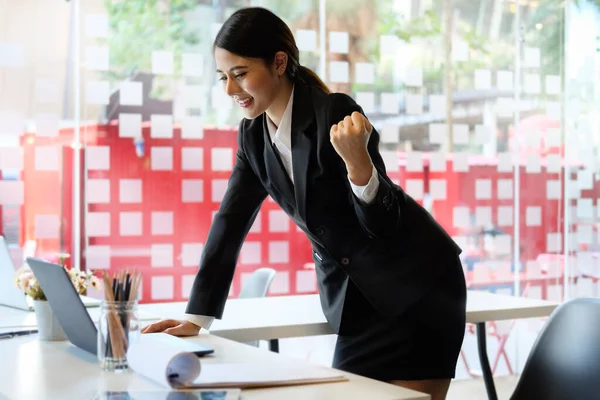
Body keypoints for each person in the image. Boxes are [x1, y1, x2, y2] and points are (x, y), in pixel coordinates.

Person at [142, 7, 466, 400]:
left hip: (419, 289)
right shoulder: (253, 137)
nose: (230, 89)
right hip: (357, 307)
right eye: (224, 77)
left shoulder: (334, 112)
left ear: (279, 62)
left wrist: (359, 165)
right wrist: (197, 317)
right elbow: (230, 221)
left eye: (240, 74)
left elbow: (384, 224)